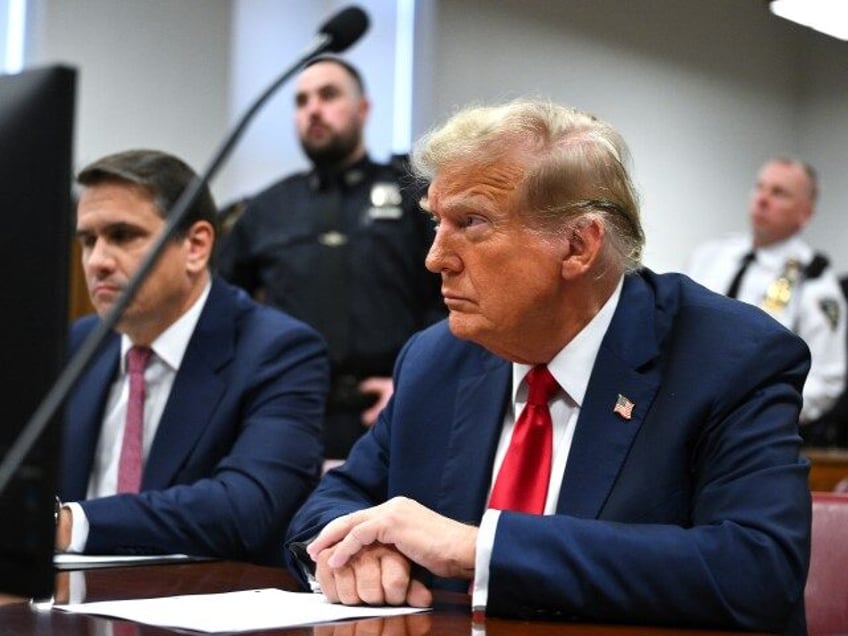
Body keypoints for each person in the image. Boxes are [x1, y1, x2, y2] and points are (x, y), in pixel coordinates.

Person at [285, 100, 812, 633]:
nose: (436, 257)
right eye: (436, 222)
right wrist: (351, 552)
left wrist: (478, 548)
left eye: (471, 222)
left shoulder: (729, 357)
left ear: (578, 245)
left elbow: (756, 568)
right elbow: (333, 501)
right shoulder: (437, 358)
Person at [57, 149, 329, 565]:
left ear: (196, 246)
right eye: (88, 240)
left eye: (123, 236)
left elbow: (248, 507)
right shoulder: (78, 345)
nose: (97, 262)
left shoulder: (278, 350)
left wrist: (72, 523)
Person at [217, 56, 445, 460]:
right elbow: (222, 306)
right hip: (288, 413)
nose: (313, 109)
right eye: (301, 101)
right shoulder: (267, 207)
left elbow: (449, 297)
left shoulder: (413, 195)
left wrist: (413, 383)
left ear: (363, 108)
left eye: (328, 95)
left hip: (393, 409)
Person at [688, 157, 846, 427]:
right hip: (688, 414)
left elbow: (827, 381)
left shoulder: (815, 284)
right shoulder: (710, 257)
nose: (762, 199)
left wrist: (766, 412)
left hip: (754, 431)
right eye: (760, 187)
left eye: (779, 193)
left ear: (805, 213)